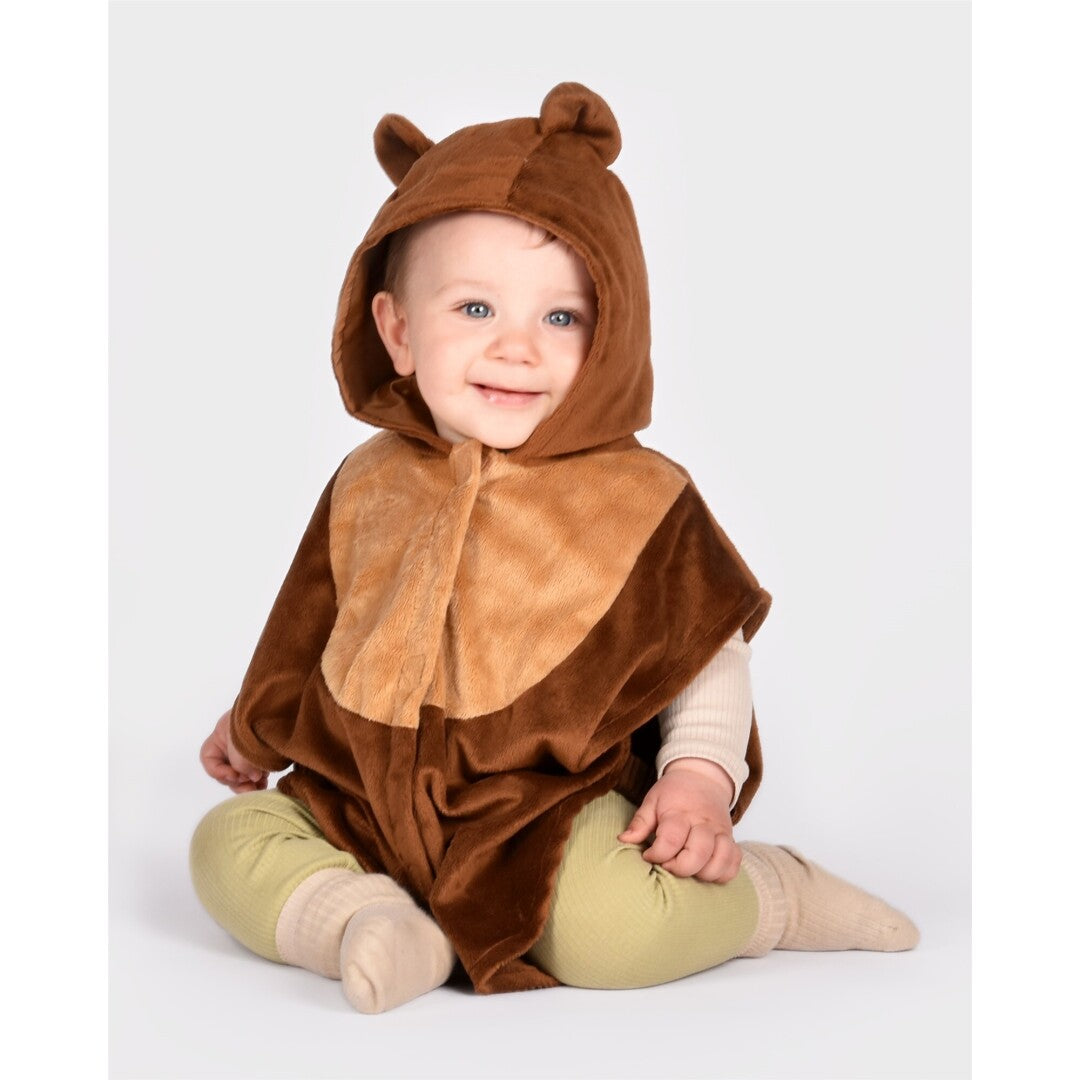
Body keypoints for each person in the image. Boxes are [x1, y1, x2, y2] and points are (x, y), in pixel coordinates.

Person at [190, 82, 918, 1015]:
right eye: (475, 309)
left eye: (561, 318)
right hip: (361, 799)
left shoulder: (639, 497)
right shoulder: (368, 482)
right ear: (398, 331)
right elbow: (310, 626)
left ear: (613, 335)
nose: (518, 348)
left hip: (540, 813)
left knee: (610, 930)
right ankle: (370, 920)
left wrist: (698, 778)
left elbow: (703, 650)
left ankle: (768, 897)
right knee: (227, 842)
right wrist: (250, 725)